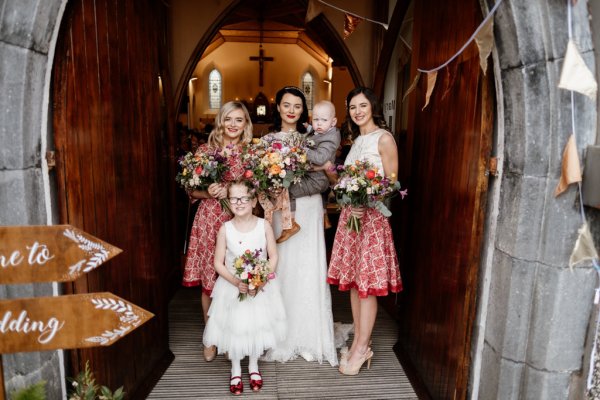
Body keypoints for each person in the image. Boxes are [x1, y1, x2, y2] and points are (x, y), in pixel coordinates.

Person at [327, 87, 403, 375]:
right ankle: (362, 338)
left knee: (366, 287)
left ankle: (361, 348)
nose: (357, 111)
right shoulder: (356, 141)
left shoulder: (384, 139)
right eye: (352, 107)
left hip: (371, 222)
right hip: (351, 220)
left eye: (362, 106)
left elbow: (392, 184)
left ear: (373, 107)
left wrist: (368, 200)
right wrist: (349, 199)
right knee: (353, 283)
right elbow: (347, 181)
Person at [262, 86, 339, 366]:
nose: (292, 110)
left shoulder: (314, 136)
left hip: (308, 205)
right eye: (286, 104)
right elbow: (264, 177)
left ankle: (309, 336)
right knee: (282, 266)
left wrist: (318, 170)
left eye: (297, 105)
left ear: (303, 110)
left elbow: (327, 170)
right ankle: (278, 335)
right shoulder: (268, 139)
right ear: (278, 108)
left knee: (308, 266)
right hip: (282, 209)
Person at [182, 101, 253, 362]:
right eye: (229, 119)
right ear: (220, 121)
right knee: (210, 282)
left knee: (237, 278)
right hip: (209, 219)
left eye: (239, 120)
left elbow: (257, 189)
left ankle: (235, 335)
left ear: (246, 123)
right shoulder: (205, 150)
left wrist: (234, 191)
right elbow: (191, 190)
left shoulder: (250, 154)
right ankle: (211, 337)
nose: (233, 125)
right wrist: (208, 191)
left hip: (238, 220)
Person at [203, 180, 285, 395]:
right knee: (236, 327)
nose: (238, 203)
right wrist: (236, 282)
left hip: (260, 287)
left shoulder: (263, 226)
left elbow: (273, 255)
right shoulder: (225, 229)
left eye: (243, 198)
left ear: (254, 200)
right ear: (228, 202)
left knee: (256, 325)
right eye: (233, 199)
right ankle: (236, 369)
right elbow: (218, 263)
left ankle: (254, 366)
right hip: (233, 286)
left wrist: (261, 280)